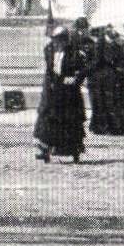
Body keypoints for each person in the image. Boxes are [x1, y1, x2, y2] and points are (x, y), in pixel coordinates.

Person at [34, 24, 88, 162]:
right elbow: (49, 69)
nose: (57, 43)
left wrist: (75, 79)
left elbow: (84, 69)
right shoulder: (49, 50)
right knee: (47, 118)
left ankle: (73, 150)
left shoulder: (74, 52)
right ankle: (44, 148)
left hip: (68, 92)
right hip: (52, 90)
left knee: (69, 120)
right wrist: (51, 81)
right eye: (55, 40)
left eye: (60, 40)